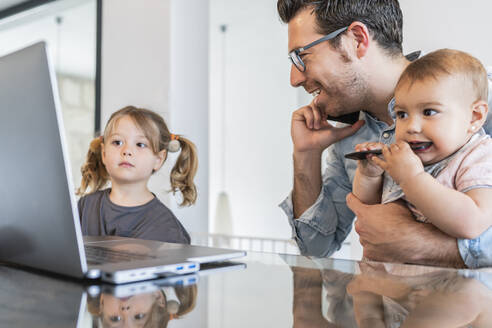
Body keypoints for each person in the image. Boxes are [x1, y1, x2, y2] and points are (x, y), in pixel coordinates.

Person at [276, 0, 492, 268]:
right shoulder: (351, 137)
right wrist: (306, 155)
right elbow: (315, 247)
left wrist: (423, 244)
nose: (294, 78)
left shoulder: (478, 104)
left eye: (302, 56)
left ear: (357, 39)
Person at [353, 49, 492, 239]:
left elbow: (472, 223)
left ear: (474, 117)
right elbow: (371, 212)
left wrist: (412, 178)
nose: (411, 127)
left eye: (429, 112)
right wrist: (369, 176)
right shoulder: (405, 157)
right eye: (402, 114)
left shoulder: (478, 157)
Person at [77, 106, 198, 244]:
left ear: (158, 159)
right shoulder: (85, 206)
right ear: (104, 153)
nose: (127, 151)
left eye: (140, 144)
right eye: (117, 142)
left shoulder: (166, 230)